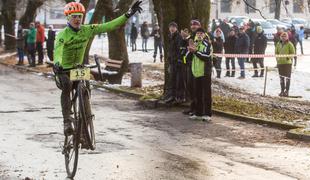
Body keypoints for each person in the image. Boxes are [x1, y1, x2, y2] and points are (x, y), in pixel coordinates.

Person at [53, 1, 142, 135]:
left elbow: (109, 25)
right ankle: (67, 122)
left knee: (85, 88)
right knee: (67, 85)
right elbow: (58, 51)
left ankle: (84, 124)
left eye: (79, 16)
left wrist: (128, 14)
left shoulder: (87, 30)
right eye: (74, 17)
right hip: (63, 70)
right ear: (68, 18)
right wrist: (57, 63)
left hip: (78, 68)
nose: (77, 19)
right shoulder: (62, 35)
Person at [186, 28, 212, 121]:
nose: (199, 35)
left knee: (206, 94)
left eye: (201, 33)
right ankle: (198, 113)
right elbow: (187, 57)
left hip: (205, 72)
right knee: (197, 94)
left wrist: (196, 51)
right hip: (195, 73)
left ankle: (207, 114)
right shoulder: (194, 43)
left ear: (204, 35)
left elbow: (206, 56)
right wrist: (190, 50)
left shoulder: (207, 44)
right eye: (198, 33)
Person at [165, 22, 182, 104]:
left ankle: (176, 97)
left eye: (174, 27)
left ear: (176, 28)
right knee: (172, 80)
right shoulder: (170, 36)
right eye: (171, 27)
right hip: (172, 61)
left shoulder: (178, 37)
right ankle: (171, 96)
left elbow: (179, 50)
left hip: (176, 62)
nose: (172, 28)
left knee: (176, 80)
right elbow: (170, 50)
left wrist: (179, 60)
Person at [275, 32, 295, 97]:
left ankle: (287, 91)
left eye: (285, 36)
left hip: (287, 64)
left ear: (287, 37)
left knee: (287, 78)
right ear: (280, 37)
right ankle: (282, 91)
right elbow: (276, 52)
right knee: (281, 78)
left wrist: (287, 57)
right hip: (280, 63)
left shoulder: (290, 44)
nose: (283, 38)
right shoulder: (278, 43)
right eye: (282, 36)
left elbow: (293, 53)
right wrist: (277, 58)